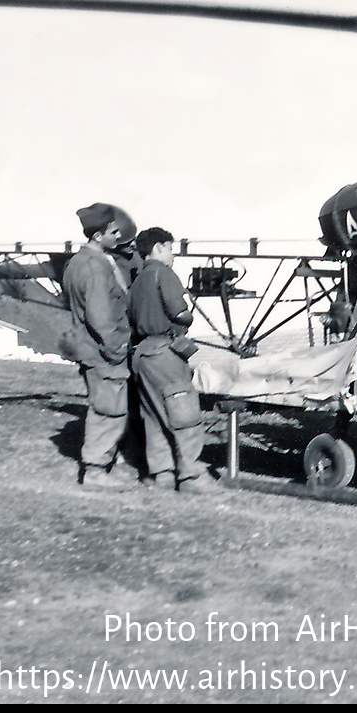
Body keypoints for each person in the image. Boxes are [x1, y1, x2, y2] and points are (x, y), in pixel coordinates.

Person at [128, 227, 223, 494]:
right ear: (158, 248)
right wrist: (186, 317)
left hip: (143, 355)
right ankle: (191, 476)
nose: (173, 255)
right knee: (184, 414)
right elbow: (181, 313)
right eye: (170, 248)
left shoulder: (136, 281)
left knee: (154, 416)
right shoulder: (164, 273)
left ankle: (163, 475)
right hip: (165, 352)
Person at [61, 202, 141, 490]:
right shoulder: (95, 267)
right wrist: (117, 348)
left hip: (89, 349)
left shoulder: (78, 262)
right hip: (103, 352)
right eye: (114, 232)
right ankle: (95, 471)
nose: (119, 237)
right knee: (108, 410)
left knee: (107, 406)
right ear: (97, 236)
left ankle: (105, 463)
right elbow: (100, 316)